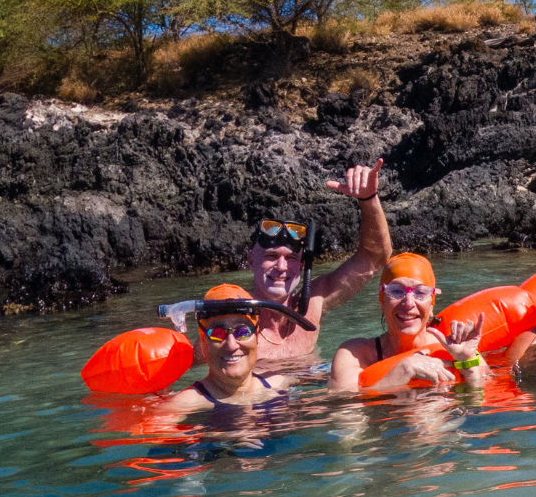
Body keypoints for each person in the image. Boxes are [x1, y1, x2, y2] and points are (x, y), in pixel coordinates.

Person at [239, 160, 393, 373]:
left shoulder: (312, 304)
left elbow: (375, 259)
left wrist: (369, 200)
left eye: (291, 258)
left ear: (302, 266)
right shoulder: (235, 325)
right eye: (271, 256)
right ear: (251, 261)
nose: (282, 267)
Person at [330, 254, 490, 394]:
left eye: (420, 292)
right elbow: (344, 412)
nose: (408, 303)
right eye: (396, 291)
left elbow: (487, 400)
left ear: (432, 305)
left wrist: (468, 366)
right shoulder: (355, 354)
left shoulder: (452, 348)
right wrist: (402, 371)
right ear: (382, 302)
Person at [158, 285, 294, 414]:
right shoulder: (183, 404)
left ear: (257, 336)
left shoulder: (280, 383)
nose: (231, 345)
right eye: (217, 334)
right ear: (203, 341)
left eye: (242, 332)